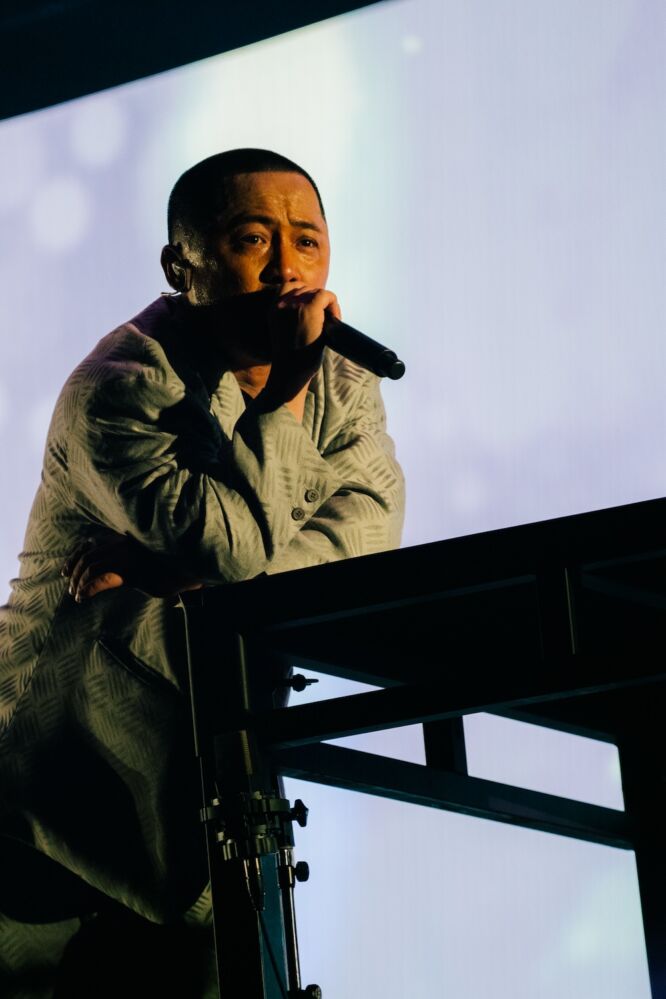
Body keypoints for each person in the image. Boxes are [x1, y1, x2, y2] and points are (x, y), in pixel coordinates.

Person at [0, 148, 405, 996]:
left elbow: (365, 537)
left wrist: (176, 572)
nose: (287, 269)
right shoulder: (120, 388)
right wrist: (283, 399)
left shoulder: (342, 379)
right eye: (252, 240)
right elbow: (234, 551)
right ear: (180, 266)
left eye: (307, 241)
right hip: (54, 796)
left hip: (205, 789)